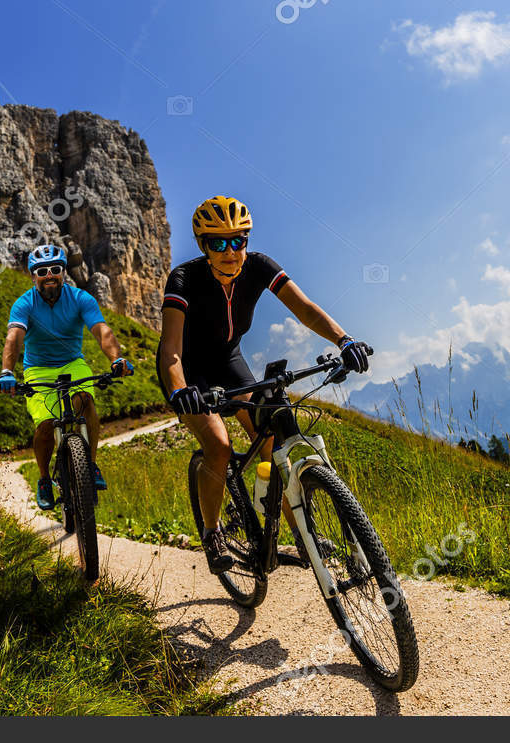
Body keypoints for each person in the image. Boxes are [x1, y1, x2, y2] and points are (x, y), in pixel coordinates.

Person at [158, 195, 369, 574]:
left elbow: (304, 309)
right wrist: (179, 390)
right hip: (190, 372)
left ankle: (302, 536)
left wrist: (344, 340)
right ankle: (212, 533)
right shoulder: (184, 279)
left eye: (239, 240)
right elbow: (170, 347)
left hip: (229, 361)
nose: (230, 251)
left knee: (274, 441)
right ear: (203, 246)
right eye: (218, 242)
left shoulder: (259, 267)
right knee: (219, 447)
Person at [0, 244, 133, 509]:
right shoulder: (24, 303)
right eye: (42, 271)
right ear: (34, 276)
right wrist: (7, 372)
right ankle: (45, 479)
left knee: (86, 401)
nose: (49, 275)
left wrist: (116, 359)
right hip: (38, 368)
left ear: (63, 272)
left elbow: (101, 330)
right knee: (45, 425)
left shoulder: (81, 298)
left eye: (55, 269)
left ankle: (91, 465)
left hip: (73, 363)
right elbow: (14, 338)